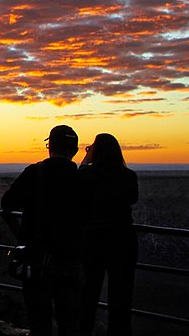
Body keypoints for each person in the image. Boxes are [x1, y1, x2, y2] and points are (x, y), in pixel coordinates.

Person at [2, 125, 87, 336]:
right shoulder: (84, 179)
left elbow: (7, 206)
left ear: (50, 147)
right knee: (70, 323)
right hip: (72, 259)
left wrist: (22, 238)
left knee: (40, 322)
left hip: (38, 259)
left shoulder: (35, 173)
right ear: (74, 150)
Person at [78, 134, 138, 336]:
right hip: (123, 240)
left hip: (94, 239)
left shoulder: (86, 174)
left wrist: (85, 161)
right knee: (121, 298)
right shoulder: (128, 175)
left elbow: (79, 190)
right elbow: (132, 198)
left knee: (88, 294)